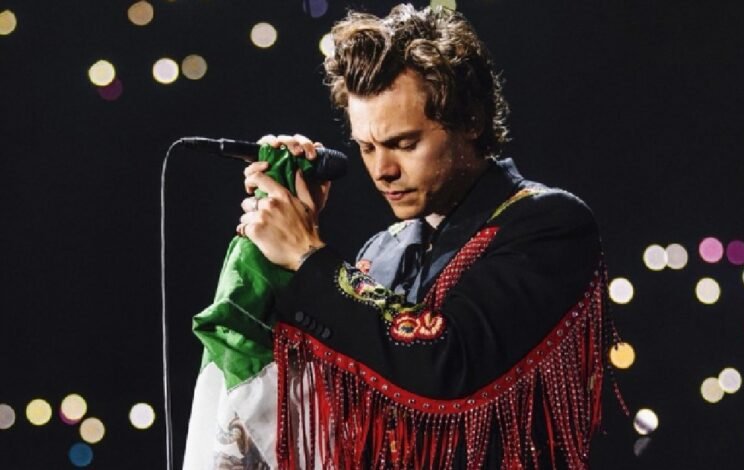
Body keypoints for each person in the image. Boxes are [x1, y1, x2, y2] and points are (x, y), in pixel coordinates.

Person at [236, 4, 614, 469]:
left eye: (404, 143)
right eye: (366, 147)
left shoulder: (550, 224)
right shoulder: (381, 250)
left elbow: (446, 365)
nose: (382, 170)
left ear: (471, 120)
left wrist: (309, 257)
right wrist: (290, 229)